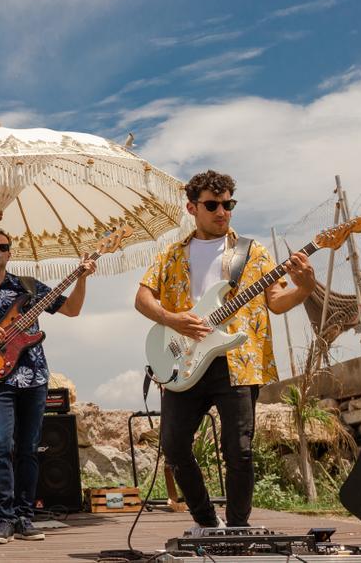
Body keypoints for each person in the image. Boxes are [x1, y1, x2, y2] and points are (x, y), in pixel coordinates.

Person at [134, 170, 315, 529]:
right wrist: (174, 320)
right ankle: (205, 521)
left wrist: (305, 287)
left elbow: (276, 302)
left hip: (239, 363)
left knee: (241, 451)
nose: (222, 212)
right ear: (192, 207)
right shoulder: (171, 254)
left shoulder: (254, 252)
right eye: (213, 205)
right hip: (183, 361)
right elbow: (142, 299)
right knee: (174, 447)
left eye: (228, 204)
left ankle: (237, 529)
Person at [0, 227, 93, 544]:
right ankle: (3, 518)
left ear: (10, 252)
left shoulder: (28, 286)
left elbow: (72, 309)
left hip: (34, 377)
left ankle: (24, 517)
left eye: (2, 246)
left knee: (28, 449)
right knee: (1, 445)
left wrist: (81, 277)